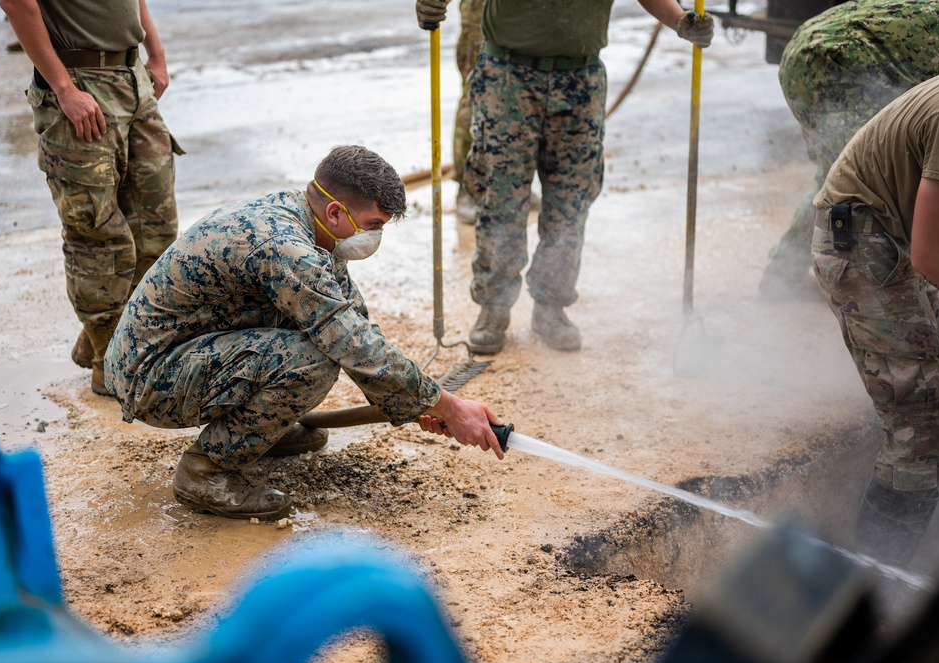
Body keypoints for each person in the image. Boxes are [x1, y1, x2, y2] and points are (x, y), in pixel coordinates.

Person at [104, 146, 506, 521]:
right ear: (335, 212)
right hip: (150, 376)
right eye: (373, 225)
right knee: (310, 361)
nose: (375, 236)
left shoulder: (310, 227)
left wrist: (417, 403)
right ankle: (205, 472)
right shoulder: (284, 247)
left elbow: (357, 324)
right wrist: (450, 408)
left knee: (317, 337)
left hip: (188, 350)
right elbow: (351, 344)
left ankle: (260, 429)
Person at [416, 0, 714, 354]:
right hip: (507, 75)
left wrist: (680, 20)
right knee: (500, 198)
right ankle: (493, 308)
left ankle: (551, 308)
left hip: (580, 79)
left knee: (570, 203)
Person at [812, 56, 939, 566]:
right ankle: (875, 583)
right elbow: (933, 255)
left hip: (890, 239)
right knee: (923, 427)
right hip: (859, 244)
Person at [0, 0, 182, 395]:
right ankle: (109, 365)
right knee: (98, 237)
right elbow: (15, 2)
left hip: (133, 79)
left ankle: (115, 339)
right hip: (81, 81)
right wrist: (63, 88)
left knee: (157, 231)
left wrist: (157, 55)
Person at [763, 0, 939, 300]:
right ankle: (870, 293)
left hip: (824, 47)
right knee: (868, 184)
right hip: (827, 61)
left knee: (848, 174)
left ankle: (784, 273)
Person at [453, 0, 484, 226]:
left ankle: (510, 186)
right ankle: (468, 188)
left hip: (524, 15)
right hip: (481, 16)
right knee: (476, 98)